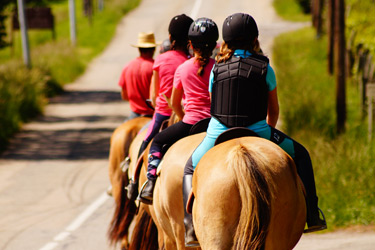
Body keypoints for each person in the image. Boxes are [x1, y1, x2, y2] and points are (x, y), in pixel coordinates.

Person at [182, 12, 327, 247]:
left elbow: (213, 103)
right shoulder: (265, 68)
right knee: (301, 155)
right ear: (254, 38)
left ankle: (189, 226)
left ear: (226, 39)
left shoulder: (216, 69)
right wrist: (268, 134)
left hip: (218, 132)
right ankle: (312, 213)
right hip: (259, 131)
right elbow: (274, 109)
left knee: (189, 168)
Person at [138, 17, 219, 205]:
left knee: (157, 141)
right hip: (215, 124)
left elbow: (174, 103)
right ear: (215, 44)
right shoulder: (219, 67)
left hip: (190, 123)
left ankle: (150, 182)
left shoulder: (183, 69)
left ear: (190, 44)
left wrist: (184, 119)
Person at [137, 14, 194, 158]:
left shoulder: (160, 59)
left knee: (146, 143)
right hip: (187, 116)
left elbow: (154, 96)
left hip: (163, 115)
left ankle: (135, 178)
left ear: (170, 37)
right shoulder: (193, 63)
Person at [118, 32, 158, 120]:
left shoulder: (127, 66)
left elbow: (124, 96)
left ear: (139, 49)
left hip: (134, 114)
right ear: (153, 49)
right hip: (152, 114)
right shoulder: (156, 67)